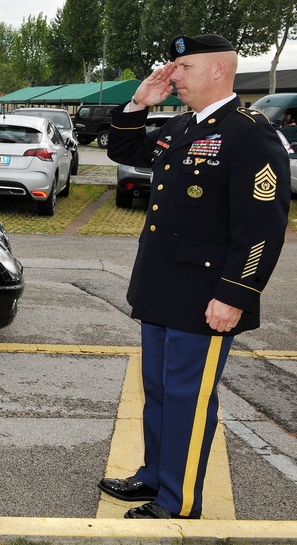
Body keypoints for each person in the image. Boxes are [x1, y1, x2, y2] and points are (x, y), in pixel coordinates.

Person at [103, 34, 290, 519]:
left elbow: (262, 228)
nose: (174, 76)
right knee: (160, 391)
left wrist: (236, 295)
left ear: (217, 71)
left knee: (188, 397)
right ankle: (153, 476)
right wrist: (140, 102)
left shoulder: (251, 133)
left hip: (206, 296)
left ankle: (178, 499)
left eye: (183, 67)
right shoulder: (185, 125)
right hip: (162, 287)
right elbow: (123, 149)